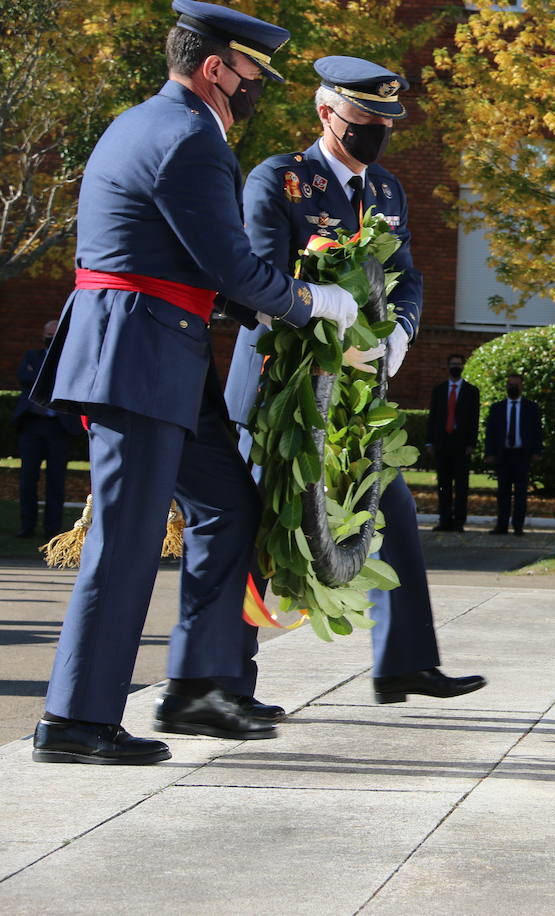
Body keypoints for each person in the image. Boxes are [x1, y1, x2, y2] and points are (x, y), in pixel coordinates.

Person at [28, 1, 363, 766]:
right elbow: (225, 262)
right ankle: (75, 720)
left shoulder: (143, 121)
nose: (257, 89)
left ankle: (200, 685)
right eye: (252, 73)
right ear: (216, 68)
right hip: (141, 355)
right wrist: (311, 302)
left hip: (158, 351)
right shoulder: (189, 139)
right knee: (126, 541)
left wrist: (266, 306)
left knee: (226, 505)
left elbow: (191, 262)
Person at [224, 56, 486, 708]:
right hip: (280, 392)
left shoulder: (387, 193)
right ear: (326, 115)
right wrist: (327, 320)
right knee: (255, 531)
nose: (375, 134)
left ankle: (404, 663)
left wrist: (398, 332)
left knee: (392, 512)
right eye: (363, 121)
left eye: (385, 123)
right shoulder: (281, 180)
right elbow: (260, 275)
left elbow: (409, 277)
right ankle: (227, 684)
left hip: (354, 399)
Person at [13, 321, 82, 539]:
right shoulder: (32, 356)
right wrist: (52, 379)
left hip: (58, 427)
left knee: (56, 479)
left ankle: (52, 528)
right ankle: (27, 525)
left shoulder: (70, 359)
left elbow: (73, 382)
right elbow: (25, 378)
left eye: (54, 334)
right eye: (47, 333)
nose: (50, 337)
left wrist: (44, 379)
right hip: (33, 425)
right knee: (27, 477)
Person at [484, 373, 543, 535]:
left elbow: (537, 431)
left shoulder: (531, 408)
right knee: (503, 492)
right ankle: (501, 525)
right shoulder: (497, 408)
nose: (513, 388)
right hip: (503, 455)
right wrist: (489, 452)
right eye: (510, 385)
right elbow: (491, 432)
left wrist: (537, 451)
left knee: (521, 492)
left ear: (521, 387)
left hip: (522, 455)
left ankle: (518, 525)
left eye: (516, 385)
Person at [427, 353, 479, 531]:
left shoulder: (471, 391)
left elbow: (474, 419)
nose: (455, 367)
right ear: (447, 367)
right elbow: (432, 417)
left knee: (462, 486)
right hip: (443, 443)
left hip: (461, 445)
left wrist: (472, 443)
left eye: (458, 364)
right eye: (452, 364)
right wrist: (430, 442)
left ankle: (459, 521)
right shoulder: (439, 390)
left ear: (463, 367)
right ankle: (444, 520)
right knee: (444, 485)